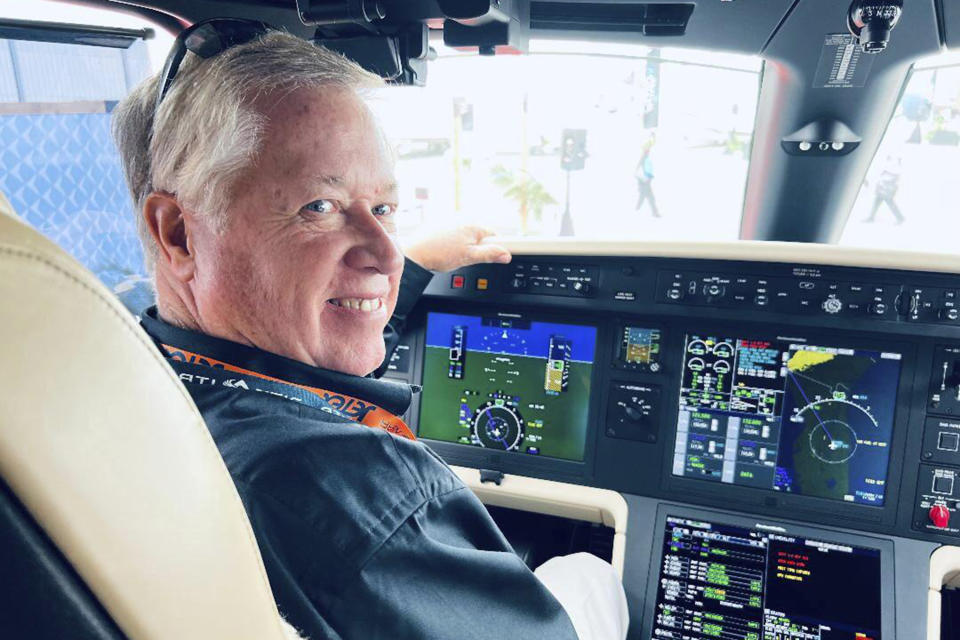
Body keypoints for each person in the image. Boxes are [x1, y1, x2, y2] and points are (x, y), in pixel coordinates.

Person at [112, 23, 627, 640]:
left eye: (383, 208)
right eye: (318, 208)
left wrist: (410, 271)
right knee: (589, 576)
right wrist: (589, 581)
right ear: (178, 234)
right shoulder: (345, 490)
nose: (386, 254)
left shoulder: (131, 378)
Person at [863, 155, 905, 225]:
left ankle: (900, 218)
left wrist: (885, 181)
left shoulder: (896, 166)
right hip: (883, 187)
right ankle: (871, 217)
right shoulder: (890, 164)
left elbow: (894, 177)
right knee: (877, 202)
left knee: (890, 203)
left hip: (888, 188)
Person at [634, 133, 660, 218]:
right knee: (647, 198)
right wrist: (643, 178)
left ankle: (654, 213)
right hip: (644, 182)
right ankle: (635, 212)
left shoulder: (645, 156)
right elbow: (636, 171)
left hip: (646, 181)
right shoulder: (643, 157)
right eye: (647, 149)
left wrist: (653, 137)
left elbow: (651, 144)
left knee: (646, 198)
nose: (649, 150)